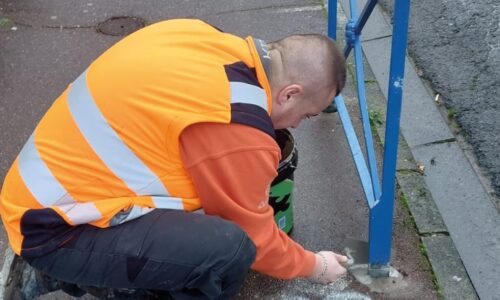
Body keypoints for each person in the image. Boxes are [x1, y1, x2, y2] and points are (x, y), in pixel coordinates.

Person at [0, 18, 347, 299]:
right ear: (289, 94)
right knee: (226, 254)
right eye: (307, 115)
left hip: (41, 193)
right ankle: (57, 268)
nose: (298, 125)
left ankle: (61, 270)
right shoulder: (238, 122)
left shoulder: (202, 37)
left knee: (199, 218)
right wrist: (315, 266)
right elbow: (255, 238)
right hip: (53, 226)